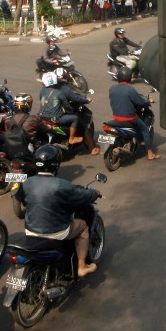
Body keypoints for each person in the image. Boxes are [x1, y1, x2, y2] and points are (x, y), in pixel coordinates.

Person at [15, 145, 101, 278]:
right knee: (83, 227)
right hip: (57, 231)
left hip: (30, 230)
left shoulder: (27, 183)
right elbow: (82, 196)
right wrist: (94, 193)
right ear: (56, 164)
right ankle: (82, 266)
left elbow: (24, 200)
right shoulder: (62, 184)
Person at [108, 66, 158, 160]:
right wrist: (148, 101)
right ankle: (150, 154)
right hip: (129, 118)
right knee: (145, 130)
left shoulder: (112, 88)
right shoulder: (130, 89)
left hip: (116, 118)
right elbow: (140, 102)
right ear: (129, 77)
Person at [56, 69, 99, 155]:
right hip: (61, 114)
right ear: (65, 76)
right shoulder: (66, 89)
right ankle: (93, 149)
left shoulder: (49, 89)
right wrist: (86, 100)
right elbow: (76, 98)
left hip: (48, 114)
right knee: (83, 127)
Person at [38, 72, 82, 147]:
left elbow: (41, 99)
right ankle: (71, 138)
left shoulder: (42, 90)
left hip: (42, 118)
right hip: (55, 119)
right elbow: (66, 105)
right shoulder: (59, 92)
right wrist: (71, 109)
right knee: (75, 118)